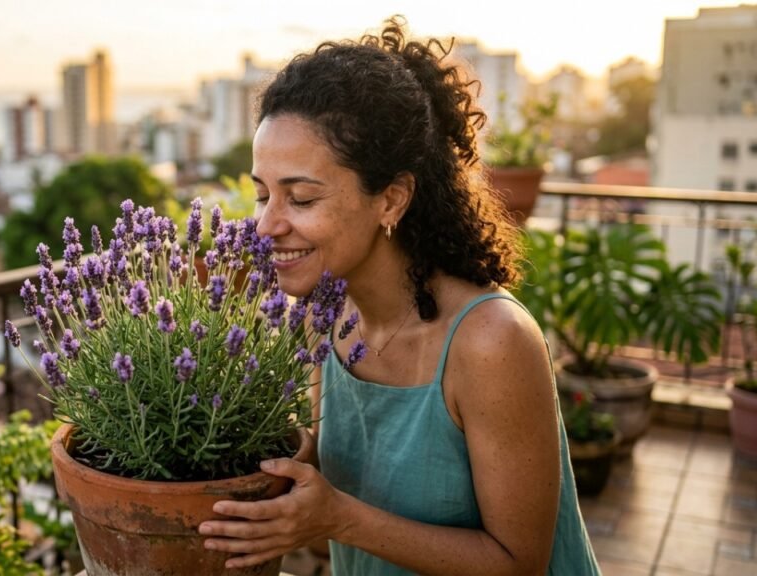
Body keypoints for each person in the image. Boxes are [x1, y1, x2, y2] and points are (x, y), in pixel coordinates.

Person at [197, 16, 602, 576]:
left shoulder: (491, 341)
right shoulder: (325, 315)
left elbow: (519, 564)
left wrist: (336, 518)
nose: (266, 226)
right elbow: (334, 466)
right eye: (263, 194)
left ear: (391, 199)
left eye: (302, 199)